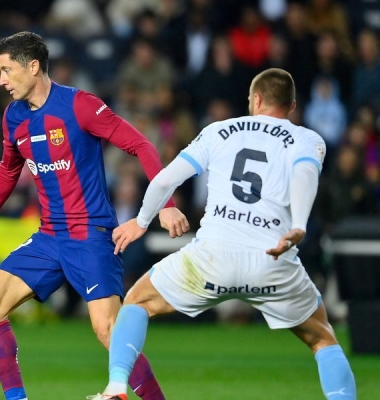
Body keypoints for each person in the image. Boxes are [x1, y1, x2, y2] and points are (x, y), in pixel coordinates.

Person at [95, 68, 356, 400]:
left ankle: (116, 388)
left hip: (212, 257)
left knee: (136, 301)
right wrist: (300, 225)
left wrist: (142, 220)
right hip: (271, 258)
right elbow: (305, 175)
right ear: (292, 106)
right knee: (322, 338)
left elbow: (164, 180)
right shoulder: (307, 139)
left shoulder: (219, 130)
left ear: (255, 99)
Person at [0, 31, 189, 400]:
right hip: (49, 237)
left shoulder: (80, 105)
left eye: (6, 70)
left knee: (108, 330)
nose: (1, 80)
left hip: (90, 236)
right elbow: (7, 170)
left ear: (33, 67)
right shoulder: (13, 116)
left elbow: (141, 145)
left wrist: (166, 204)